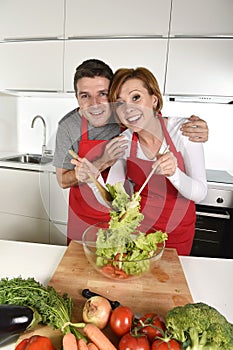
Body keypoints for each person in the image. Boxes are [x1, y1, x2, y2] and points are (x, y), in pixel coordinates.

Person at [53, 59, 209, 244]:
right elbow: (68, 182)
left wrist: (177, 168)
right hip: (102, 220)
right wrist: (95, 173)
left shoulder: (171, 129)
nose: (95, 104)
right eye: (85, 96)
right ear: (77, 97)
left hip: (155, 227)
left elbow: (152, 120)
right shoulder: (73, 128)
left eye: (102, 94)